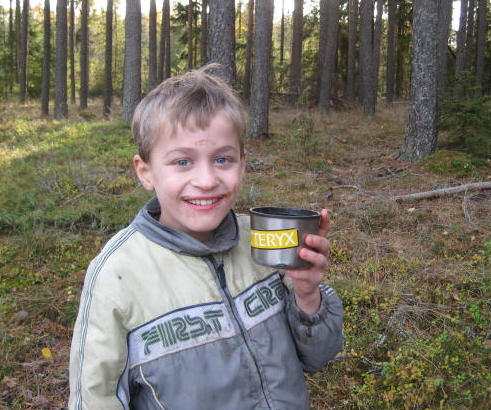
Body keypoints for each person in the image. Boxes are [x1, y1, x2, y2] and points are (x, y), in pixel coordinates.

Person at [68, 66, 343, 410]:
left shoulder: (261, 240)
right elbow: (95, 397)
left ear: (242, 165)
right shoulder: (118, 275)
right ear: (146, 172)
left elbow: (318, 356)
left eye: (222, 159)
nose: (207, 179)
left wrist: (307, 296)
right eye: (182, 161)